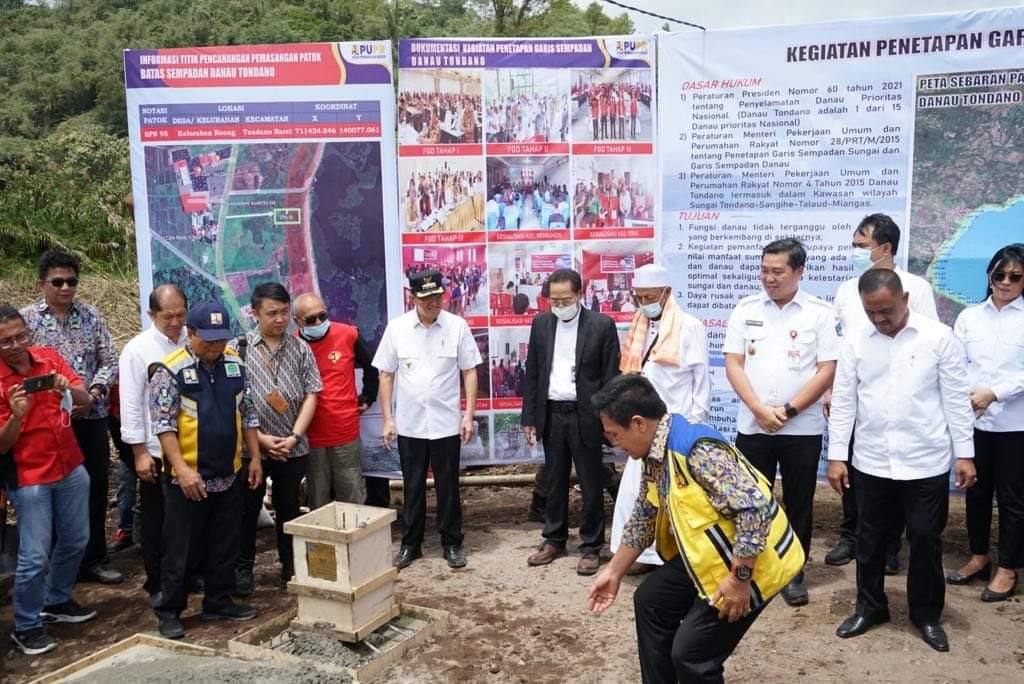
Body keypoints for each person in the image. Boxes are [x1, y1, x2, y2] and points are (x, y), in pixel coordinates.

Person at [588, 374, 804, 683]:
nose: (613, 444)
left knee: (692, 655)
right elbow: (645, 515)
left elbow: (753, 510)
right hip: (713, 556)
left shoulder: (696, 450)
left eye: (614, 435)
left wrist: (740, 580)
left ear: (638, 423)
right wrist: (613, 572)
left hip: (755, 563)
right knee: (650, 601)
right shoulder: (654, 452)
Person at [827, 269, 976, 652]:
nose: (880, 319)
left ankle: (925, 614)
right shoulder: (857, 341)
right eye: (871, 312)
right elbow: (844, 401)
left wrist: (965, 453)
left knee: (926, 538)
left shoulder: (939, 338)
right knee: (870, 539)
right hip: (872, 460)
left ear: (905, 299)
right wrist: (837, 456)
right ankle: (870, 607)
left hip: (924, 460)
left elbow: (956, 400)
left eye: (887, 311)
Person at [723, 238, 839, 606]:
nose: (769, 278)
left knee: (799, 501)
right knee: (750, 500)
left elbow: (826, 370)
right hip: (754, 425)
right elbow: (733, 363)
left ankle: (793, 571)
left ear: (799, 272)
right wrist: (759, 409)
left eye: (778, 271)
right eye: (764, 270)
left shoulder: (819, 313)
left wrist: (787, 412)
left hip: (800, 429)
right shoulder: (745, 309)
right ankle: (749, 567)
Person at [826, 213, 938, 569]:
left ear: (885, 248)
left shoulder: (914, 287)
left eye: (862, 246)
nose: (855, 251)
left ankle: (890, 545)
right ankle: (851, 536)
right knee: (853, 471)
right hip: (857, 394)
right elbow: (839, 340)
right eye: (854, 245)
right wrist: (833, 389)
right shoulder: (847, 289)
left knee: (892, 475)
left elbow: (928, 344)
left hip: (898, 399)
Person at [149, 301, 262, 639]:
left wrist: (254, 458)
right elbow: (164, 425)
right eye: (208, 340)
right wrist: (182, 470)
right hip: (189, 480)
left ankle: (218, 600)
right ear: (191, 333)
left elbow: (250, 414)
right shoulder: (170, 370)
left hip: (228, 474)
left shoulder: (235, 366)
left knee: (224, 543)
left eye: (221, 340)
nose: (215, 346)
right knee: (181, 550)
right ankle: (170, 609)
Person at [21, 250, 123, 585]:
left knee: (92, 487)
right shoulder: (27, 322)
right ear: (42, 283)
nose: (66, 288)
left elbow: (109, 360)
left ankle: (91, 559)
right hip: (46, 424)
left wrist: (92, 394)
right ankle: (52, 563)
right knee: (48, 492)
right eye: (58, 282)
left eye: (72, 281)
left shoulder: (91, 316)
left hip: (89, 415)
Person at [0, 304, 97, 655]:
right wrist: (15, 415)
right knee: (34, 555)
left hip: (69, 464)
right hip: (29, 477)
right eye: (5, 341)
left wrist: (67, 390)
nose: (14, 345)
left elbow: (85, 399)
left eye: (20, 336)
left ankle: (56, 600)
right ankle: (26, 625)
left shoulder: (47, 358)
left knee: (76, 538)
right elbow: (2, 444)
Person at [373, 269, 481, 570]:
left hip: (447, 423)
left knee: (448, 486)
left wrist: (468, 415)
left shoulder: (457, 326)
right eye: (426, 298)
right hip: (410, 424)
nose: (433, 302)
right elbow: (386, 375)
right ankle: (411, 544)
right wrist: (388, 419)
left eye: (437, 296)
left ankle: (451, 543)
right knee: (413, 485)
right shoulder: (397, 329)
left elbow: (469, 371)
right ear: (413, 298)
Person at [610, 264, 709, 576]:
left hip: (674, 426)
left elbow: (701, 381)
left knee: (674, 498)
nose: (644, 303)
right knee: (637, 494)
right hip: (642, 428)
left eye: (650, 297)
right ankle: (640, 555)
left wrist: (692, 427)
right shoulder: (639, 326)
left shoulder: (689, 326)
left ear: (667, 293)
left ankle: (671, 559)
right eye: (639, 297)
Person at [522, 268, 620, 576]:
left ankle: (591, 547)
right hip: (552, 412)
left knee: (591, 483)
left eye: (565, 298)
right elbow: (533, 372)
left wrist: (606, 419)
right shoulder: (540, 324)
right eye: (554, 299)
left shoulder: (601, 326)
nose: (559, 304)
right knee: (555, 479)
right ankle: (554, 539)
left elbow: (609, 377)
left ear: (579, 294)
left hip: (586, 414)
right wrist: (529, 416)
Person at [947, 243, 1024, 601]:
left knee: (1012, 499)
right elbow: (956, 366)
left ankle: (1008, 568)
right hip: (975, 423)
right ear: (989, 275)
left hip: (1014, 425)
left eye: (1015, 276)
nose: (1005, 282)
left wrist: (995, 392)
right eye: (999, 274)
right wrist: (965, 398)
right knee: (975, 492)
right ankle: (978, 556)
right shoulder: (969, 317)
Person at [236, 283, 321, 592]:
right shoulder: (238, 348)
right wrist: (259, 439)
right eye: (272, 313)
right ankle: (243, 569)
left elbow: (312, 395)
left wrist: (295, 436)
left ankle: (290, 566)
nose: (280, 319)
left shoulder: (301, 349)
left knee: (289, 510)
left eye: (285, 312)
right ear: (254, 312)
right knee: (246, 511)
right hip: (251, 450)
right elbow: (231, 402)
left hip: (291, 448)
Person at [117, 284, 188, 601]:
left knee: (188, 518)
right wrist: (139, 452)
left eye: (180, 315)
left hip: (191, 447)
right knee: (157, 519)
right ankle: (157, 581)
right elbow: (131, 403)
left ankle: (188, 574)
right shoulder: (138, 349)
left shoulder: (193, 340)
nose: (175, 322)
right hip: (156, 451)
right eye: (167, 316)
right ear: (151, 314)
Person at [292, 292, 379, 509]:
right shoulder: (292, 344)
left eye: (323, 315)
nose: (319, 322)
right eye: (311, 320)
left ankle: (355, 541)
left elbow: (372, 367)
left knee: (351, 495)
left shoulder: (348, 334)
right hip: (310, 435)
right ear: (298, 322)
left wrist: (368, 396)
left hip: (345, 431)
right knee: (318, 499)